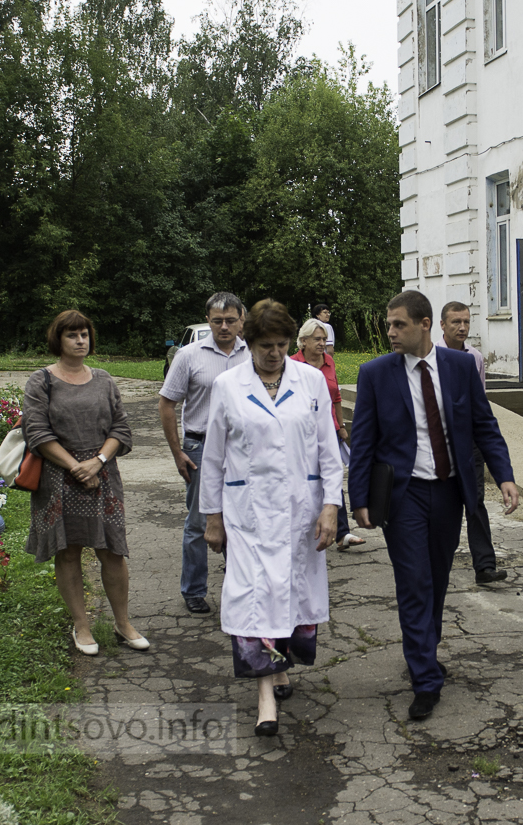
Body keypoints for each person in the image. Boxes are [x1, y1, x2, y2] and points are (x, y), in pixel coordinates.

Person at [348, 290, 521, 722]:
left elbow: (484, 423)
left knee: (438, 581)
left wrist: (504, 476)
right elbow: (363, 442)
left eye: (398, 324)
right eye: (388, 324)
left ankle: (423, 651)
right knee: (414, 584)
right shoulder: (375, 374)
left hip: (448, 492)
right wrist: (360, 499)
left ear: (425, 325)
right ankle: (426, 679)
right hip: (402, 496)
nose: (390, 332)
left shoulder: (461, 367)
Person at [199, 299, 344, 737]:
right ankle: (265, 695)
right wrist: (212, 518)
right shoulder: (228, 386)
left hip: (302, 510)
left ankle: (281, 668)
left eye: (282, 344)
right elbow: (213, 458)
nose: (275, 353)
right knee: (255, 597)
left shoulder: (312, 380)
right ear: (249, 341)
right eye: (265, 345)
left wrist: (331, 505)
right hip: (249, 514)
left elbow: (328, 450)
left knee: (291, 595)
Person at [22, 310, 144, 657]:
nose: (80, 341)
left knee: (112, 550)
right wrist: (76, 466)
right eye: (72, 335)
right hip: (60, 478)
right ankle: (82, 625)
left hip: (103, 476)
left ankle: (123, 623)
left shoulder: (104, 379)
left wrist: (97, 462)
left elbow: (121, 429)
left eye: (85, 335)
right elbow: (37, 432)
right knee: (69, 550)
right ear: (58, 340)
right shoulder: (41, 381)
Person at [158, 293, 248, 615]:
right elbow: (167, 404)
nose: (224, 327)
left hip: (241, 449)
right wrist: (177, 451)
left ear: (242, 320)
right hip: (199, 446)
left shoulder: (252, 355)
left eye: (230, 320)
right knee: (199, 522)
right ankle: (194, 590)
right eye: (216, 321)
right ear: (208, 320)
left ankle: (239, 588)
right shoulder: (188, 355)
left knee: (240, 519)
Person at [437, 301, 508, 584]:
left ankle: (485, 565)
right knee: (442, 503)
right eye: (456, 322)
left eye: (466, 321)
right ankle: (436, 558)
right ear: (442, 325)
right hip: (440, 440)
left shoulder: (475, 357)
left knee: (475, 500)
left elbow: (480, 403)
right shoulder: (431, 355)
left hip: (469, 440)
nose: (462, 327)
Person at [291, 316, 364, 548]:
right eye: (317, 339)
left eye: (324, 339)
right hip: (301, 435)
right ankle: (303, 529)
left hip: (329, 430)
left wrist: (341, 427)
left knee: (332, 478)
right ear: (303, 342)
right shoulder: (291, 364)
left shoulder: (329, 362)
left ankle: (341, 533)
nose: (322, 343)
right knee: (304, 481)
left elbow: (336, 397)